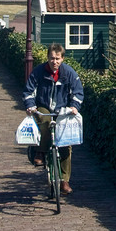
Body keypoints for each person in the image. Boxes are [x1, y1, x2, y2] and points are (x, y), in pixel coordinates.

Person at [22, 43, 83, 194]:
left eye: (57, 59)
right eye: (51, 58)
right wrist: (30, 105)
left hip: (63, 110)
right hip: (43, 107)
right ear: (47, 58)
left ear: (62, 59)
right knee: (44, 121)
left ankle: (64, 181)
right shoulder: (38, 72)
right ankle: (40, 152)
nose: (54, 62)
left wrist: (74, 106)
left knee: (65, 145)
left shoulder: (69, 73)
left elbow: (78, 92)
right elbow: (28, 91)